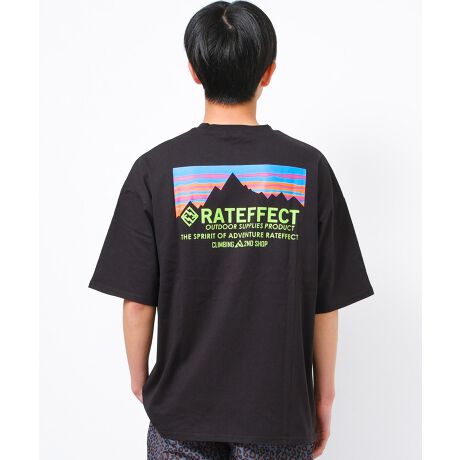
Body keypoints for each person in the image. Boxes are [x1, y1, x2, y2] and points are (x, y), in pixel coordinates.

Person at [88, 1, 374, 459]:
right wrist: (324, 397)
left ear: (193, 70)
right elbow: (326, 303)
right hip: (278, 414)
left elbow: (138, 302)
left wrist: (141, 379)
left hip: (181, 410)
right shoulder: (308, 167)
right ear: (269, 72)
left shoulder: (155, 170)